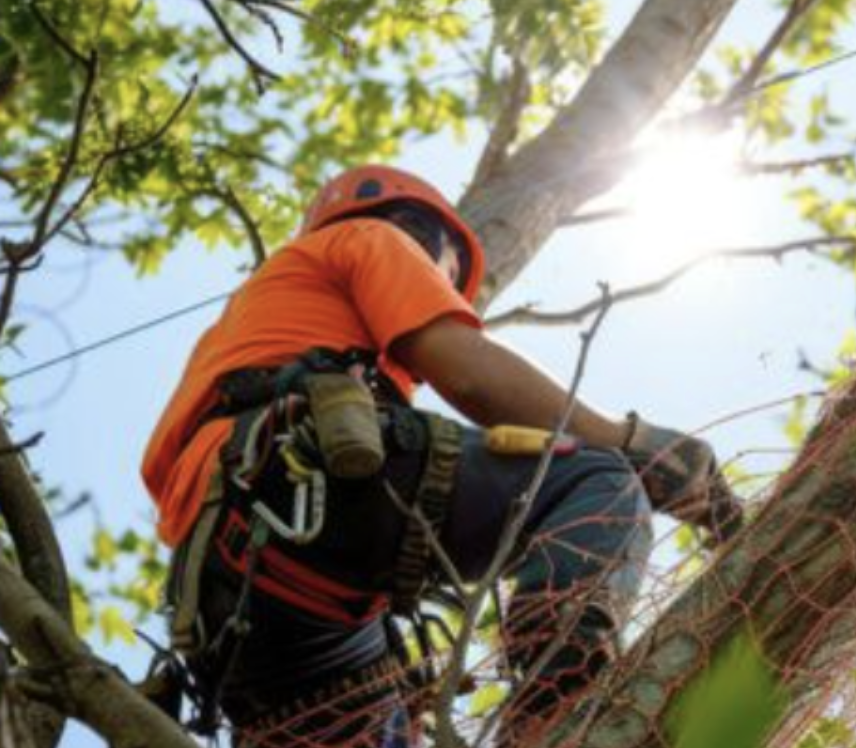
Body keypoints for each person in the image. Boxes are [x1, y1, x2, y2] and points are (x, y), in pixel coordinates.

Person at [142, 165, 742, 748]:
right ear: (422, 232)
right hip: (294, 488)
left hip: (231, 598)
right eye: (448, 275)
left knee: (389, 717)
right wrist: (632, 441)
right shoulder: (370, 236)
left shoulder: (248, 332)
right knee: (590, 479)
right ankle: (553, 711)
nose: (448, 288)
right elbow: (465, 369)